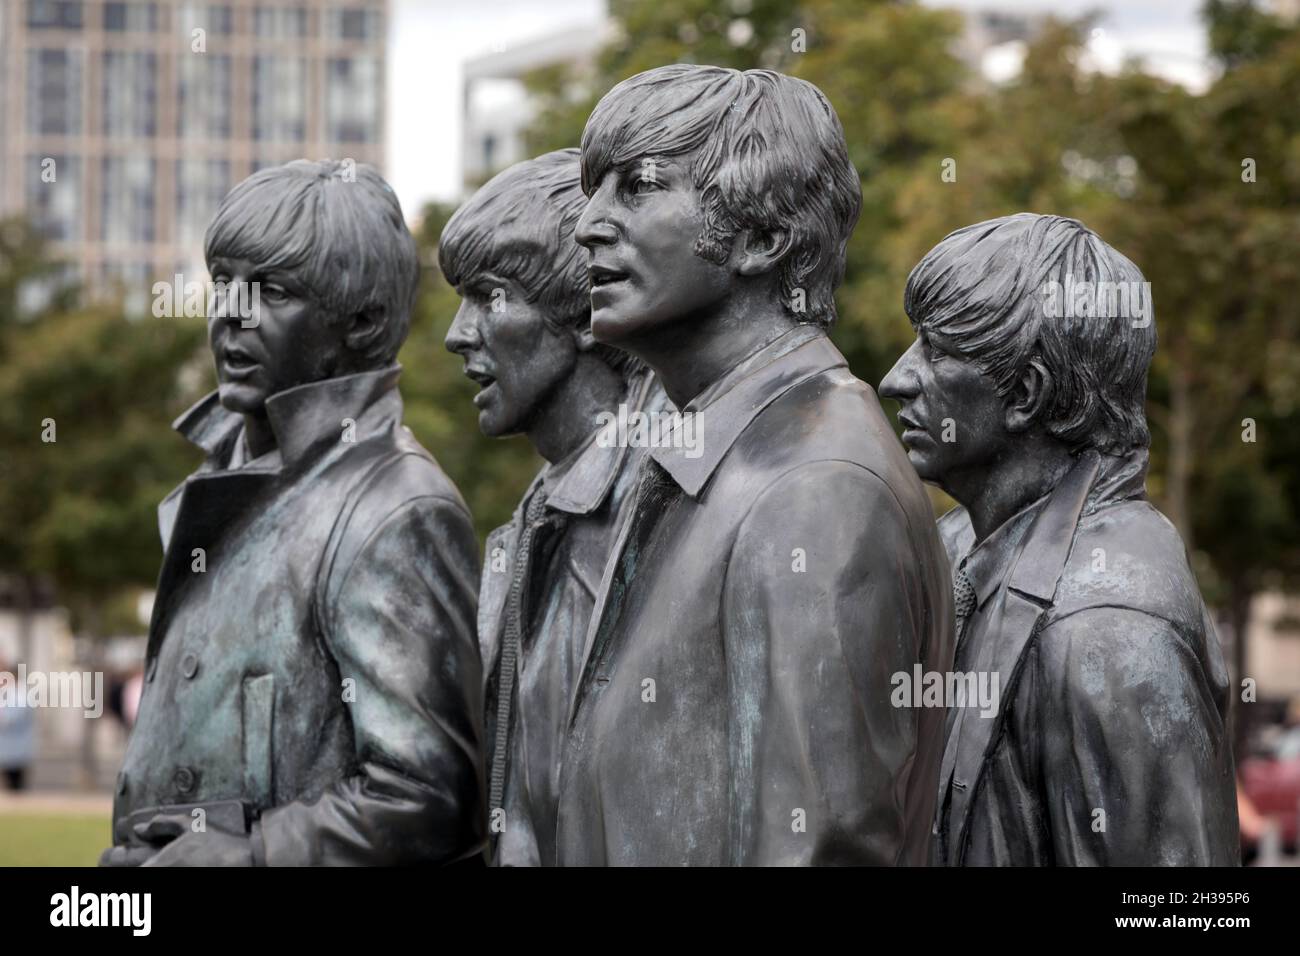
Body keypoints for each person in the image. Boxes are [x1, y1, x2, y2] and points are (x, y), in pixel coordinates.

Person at [558, 64, 955, 865]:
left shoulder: (816, 487)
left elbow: (821, 846)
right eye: (591, 190)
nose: (586, 225)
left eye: (636, 189)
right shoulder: (707, 452)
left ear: (763, 237)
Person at [102, 160, 485, 866]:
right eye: (225, 285)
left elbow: (429, 801)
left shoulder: (396, 509)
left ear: (363, 322)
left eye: (271, 291)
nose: (230, 314)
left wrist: (246, 859)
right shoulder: (227, 477)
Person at [879, 213, 1239, 865]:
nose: (897, 379)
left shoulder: (1106, 632)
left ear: (1025, 394)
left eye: (935, 351)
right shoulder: (960, 547)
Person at [442, 148, 665, 866]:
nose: (456, 332)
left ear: (581, 308)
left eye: (488, 296)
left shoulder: (659, 514)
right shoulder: (531, 522)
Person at [0, 658, 36, 791]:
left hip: (18, 743)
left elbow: (16, 715)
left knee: (16, 779)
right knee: (9, 776)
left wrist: (5, 719)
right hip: (8, 744)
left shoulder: (21, 693)